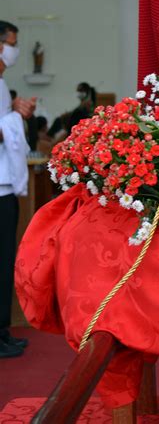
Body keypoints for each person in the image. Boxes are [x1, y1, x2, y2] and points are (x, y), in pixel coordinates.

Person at [0, 21, 35, 358]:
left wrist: (14, 114)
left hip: (5, 184)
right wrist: (14, 118)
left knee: (5, 260)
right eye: (11, 43)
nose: (14, 49)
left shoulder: (1, 82)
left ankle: (2, 331)